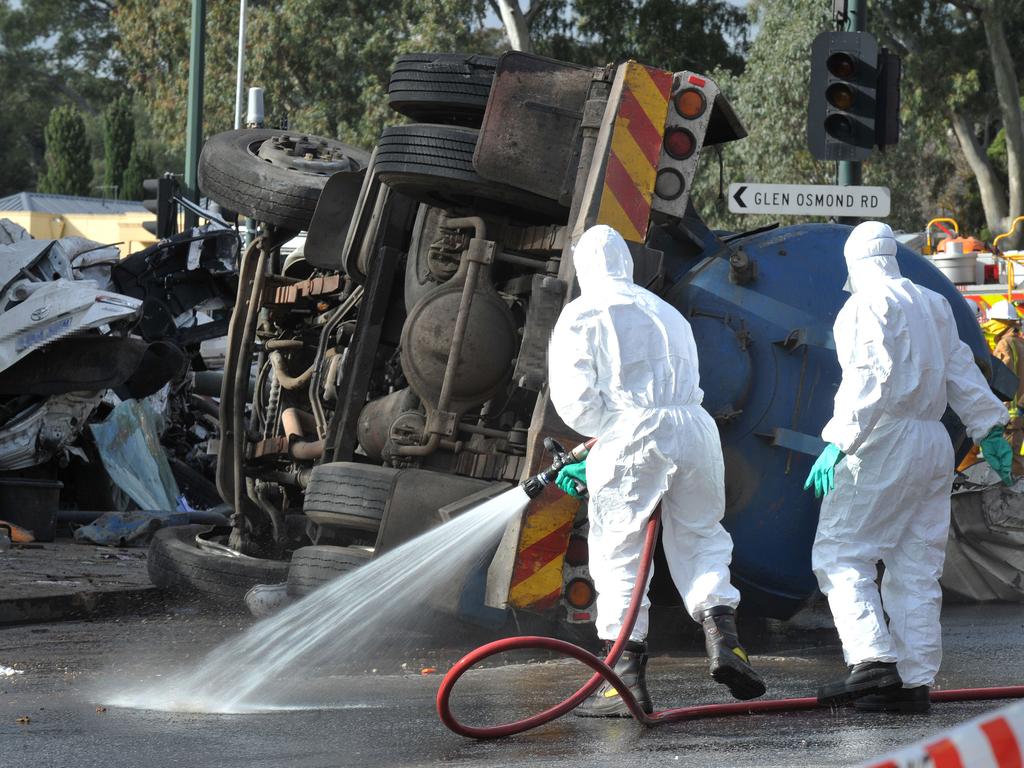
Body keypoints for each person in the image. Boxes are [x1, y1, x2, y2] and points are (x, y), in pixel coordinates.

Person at [547, 224, 765, 718]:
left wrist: (600, 445)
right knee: (701, 536)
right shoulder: (663, 309)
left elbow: (577, 405)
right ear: (625, 262)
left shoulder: (582, 313)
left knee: (619, 554)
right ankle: (725, 641)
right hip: (694, 429)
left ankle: (621, 681)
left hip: (632, 435)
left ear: (585, 268)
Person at [805, 221, 1013, 714]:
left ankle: (871, 661)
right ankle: (913, 681)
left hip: (884, 439)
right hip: (932, 441)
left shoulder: (864, 306)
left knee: (841, 553)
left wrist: (838, 441)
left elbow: (869, 379)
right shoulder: (933, 303)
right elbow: (960, 369)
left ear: (856, 263)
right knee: (915, 566)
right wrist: (990, 428)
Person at [986, 300, 1024, 474]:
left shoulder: (1005, 344)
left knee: (1007, 463)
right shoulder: (1020, 343)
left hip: (1008, 415)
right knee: (1015, 458)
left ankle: (1012, 499)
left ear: (1002, 323)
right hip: (1019, 413)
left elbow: (1000, 381)